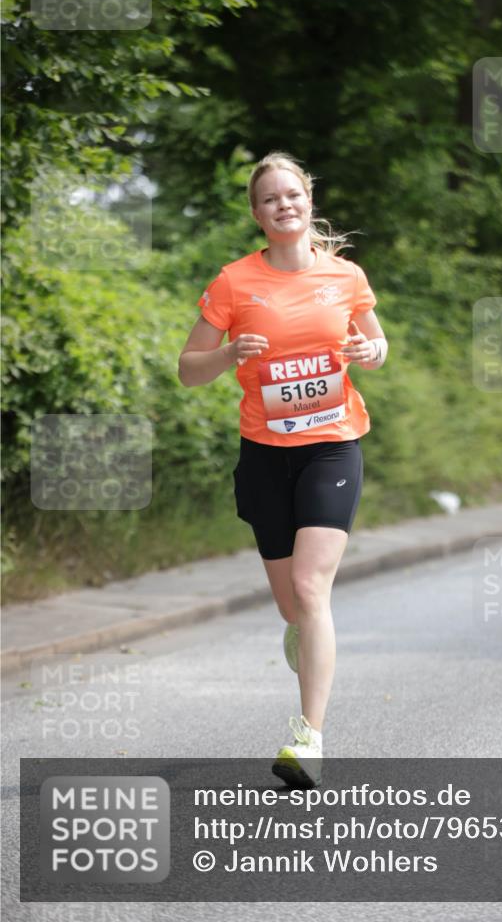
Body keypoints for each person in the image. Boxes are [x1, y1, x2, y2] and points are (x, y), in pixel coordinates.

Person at [178, 151, 388, 787]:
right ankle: (304, 640)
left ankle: (309, 737)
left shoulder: (345, 277)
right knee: (292, 609)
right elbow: (189, 369)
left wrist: (369, 349)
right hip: (265, 455)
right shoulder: (234, 283)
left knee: (310, 586)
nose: (283, 205)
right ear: (257, 213)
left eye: (292, 194)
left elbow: (376, 347)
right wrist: (229, 353)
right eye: (270, 199)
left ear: (309, 201)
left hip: (333, 445)